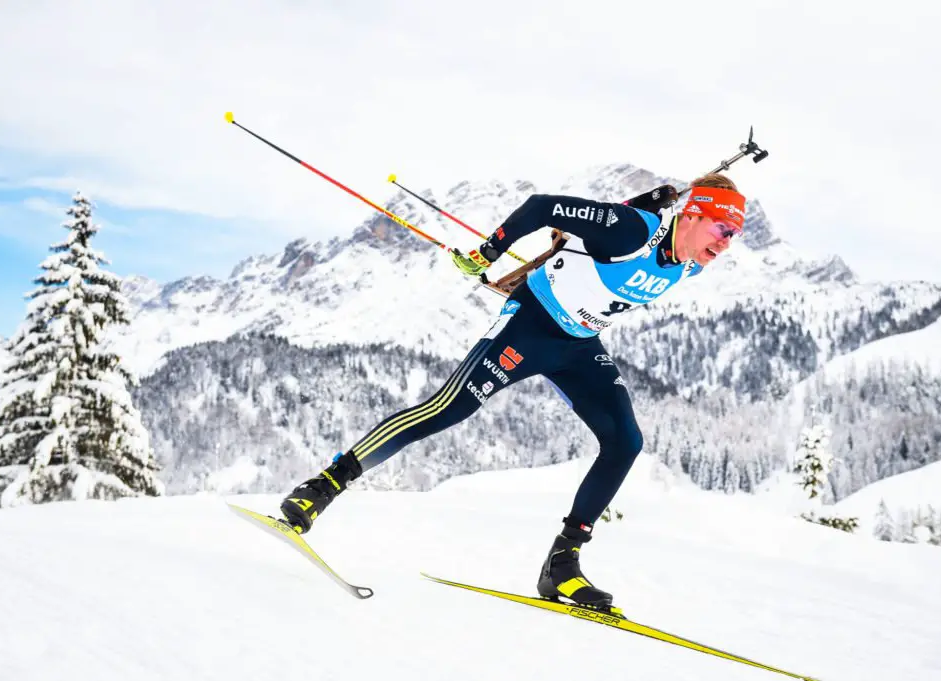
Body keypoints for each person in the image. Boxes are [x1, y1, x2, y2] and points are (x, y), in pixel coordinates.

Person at [280, 173, 747, 609]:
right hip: (530, 326)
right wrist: (490, 252)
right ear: (694, 214)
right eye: (722, 229)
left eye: (734, 235)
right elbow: (543, 207)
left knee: (625, 441)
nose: (727, 243)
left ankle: (561, 564)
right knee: (447, 409)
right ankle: (322, 486)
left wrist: (648, 202)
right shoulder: (631, 231)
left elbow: (617, 235)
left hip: (579, 346)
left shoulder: (691, 264)